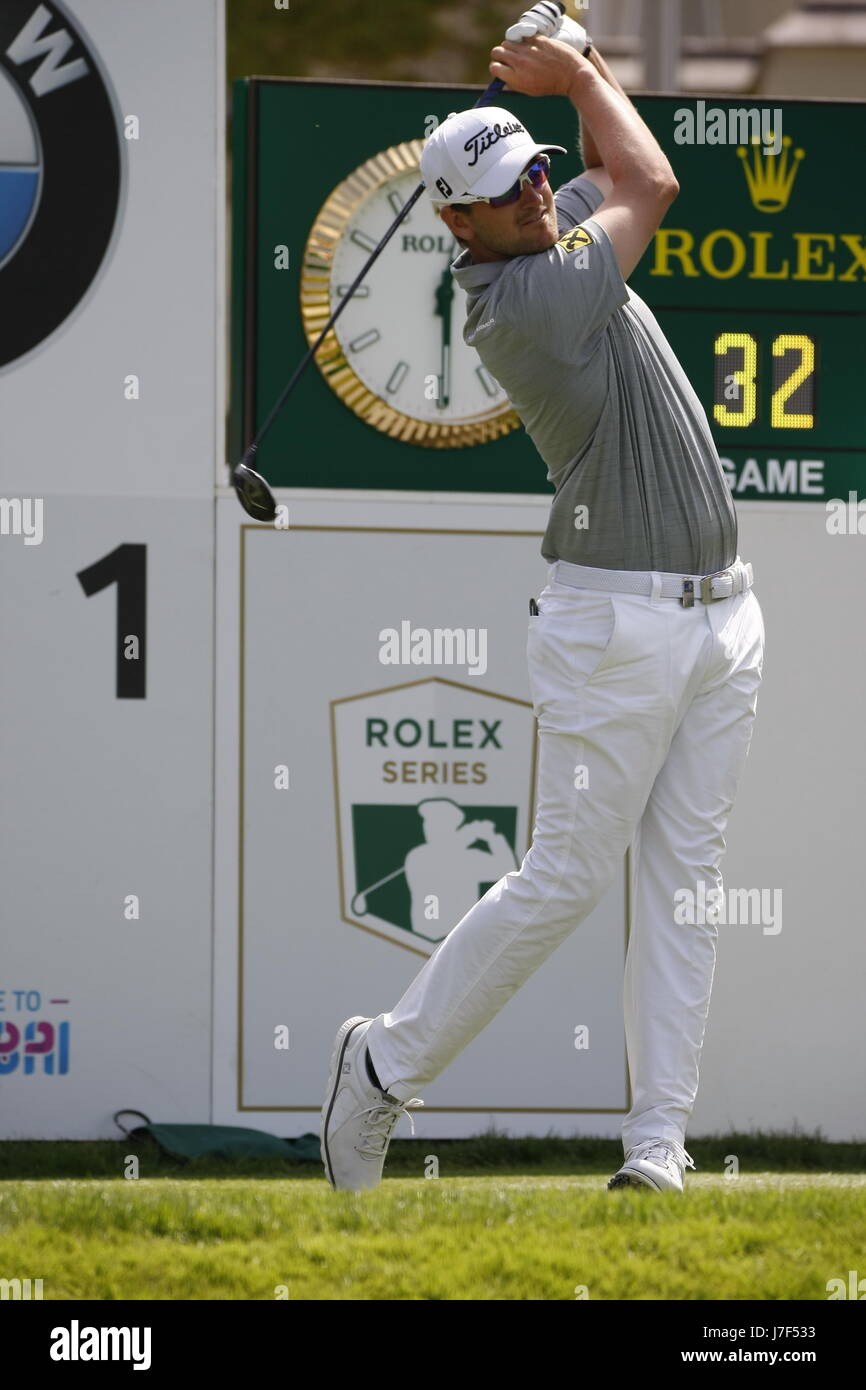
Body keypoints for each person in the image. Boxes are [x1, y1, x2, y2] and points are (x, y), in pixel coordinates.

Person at [320, 27, 765, 1194]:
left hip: (720, 616)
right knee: (566, 875)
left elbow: (610, 170)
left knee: (687, 880)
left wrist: (582, 60)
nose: (533, 189)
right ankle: (380, 1065)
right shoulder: (521, 300)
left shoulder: (540, 221)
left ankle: (657, 1146)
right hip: (611, 623)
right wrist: (573, 72)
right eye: (506, 189)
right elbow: (653, 182)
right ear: (457, 227)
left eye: (530, 168)